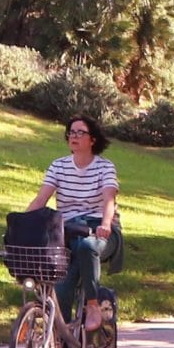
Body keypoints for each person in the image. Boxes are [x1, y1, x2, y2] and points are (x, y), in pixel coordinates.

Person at [28, 115, 120, 330]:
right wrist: (21, 223)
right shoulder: (59, 166)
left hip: (99, 229)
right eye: (71, 132)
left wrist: (106, 224)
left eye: (81, 132)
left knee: (87, 247)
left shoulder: (105, 167)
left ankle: (94, 303)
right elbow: (41, 199)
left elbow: (109, 200)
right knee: (61, 291)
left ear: (93, 139)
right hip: (67, 231)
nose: (74, 136)